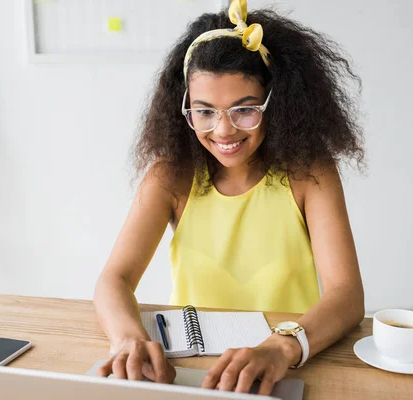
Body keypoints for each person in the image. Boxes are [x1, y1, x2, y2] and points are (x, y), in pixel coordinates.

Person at [94, 0, 365, 395]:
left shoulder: (309, 173)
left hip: (284, 360)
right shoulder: (170, 177)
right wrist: (127, 339)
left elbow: (347, 296)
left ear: (278, 103)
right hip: (189, 371)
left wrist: (281, 346)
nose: (223, 130)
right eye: (204, 112)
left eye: (245, 110)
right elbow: (113, 280)